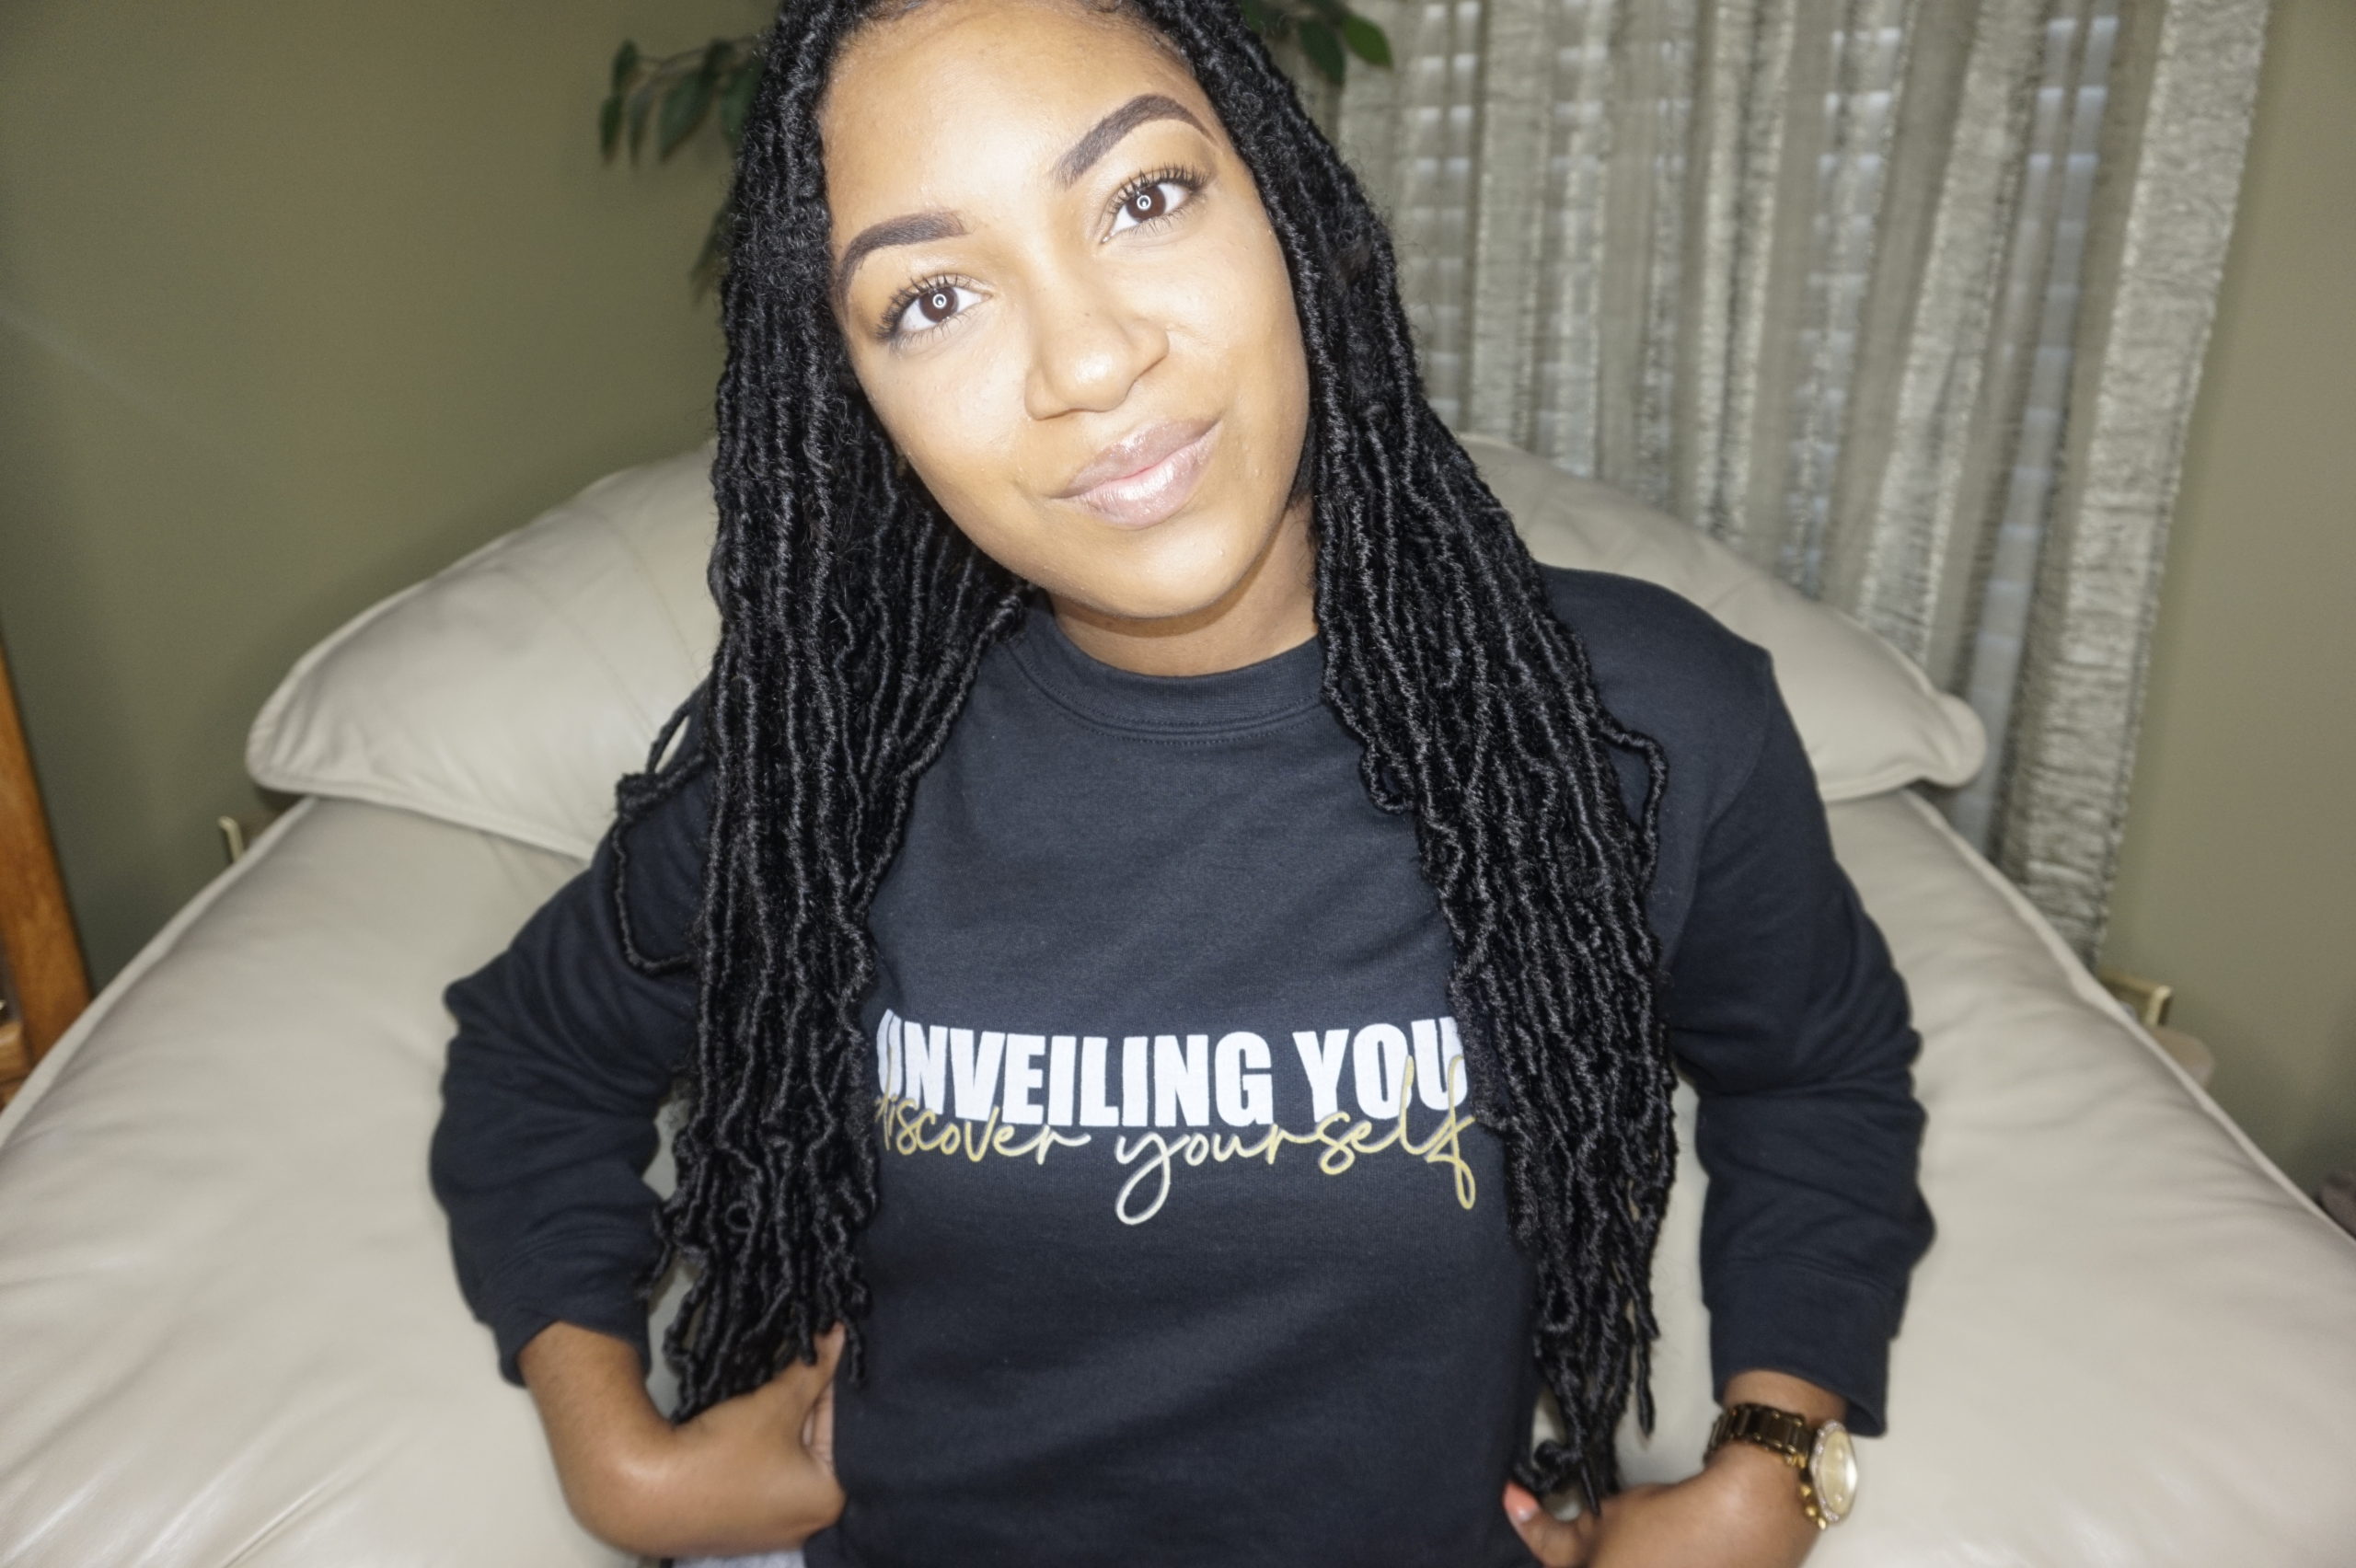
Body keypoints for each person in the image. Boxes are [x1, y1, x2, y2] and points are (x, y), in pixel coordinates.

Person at [426, 0, 1934, 1562]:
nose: (1090, 360)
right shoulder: (826, 772)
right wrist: (623, 1464)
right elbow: (536, 1058)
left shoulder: (1636, 724)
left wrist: (1776, 1466)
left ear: (1286, 209)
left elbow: (1814, 1072)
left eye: (1144, 198)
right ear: (856, 398)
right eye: (933, 298)